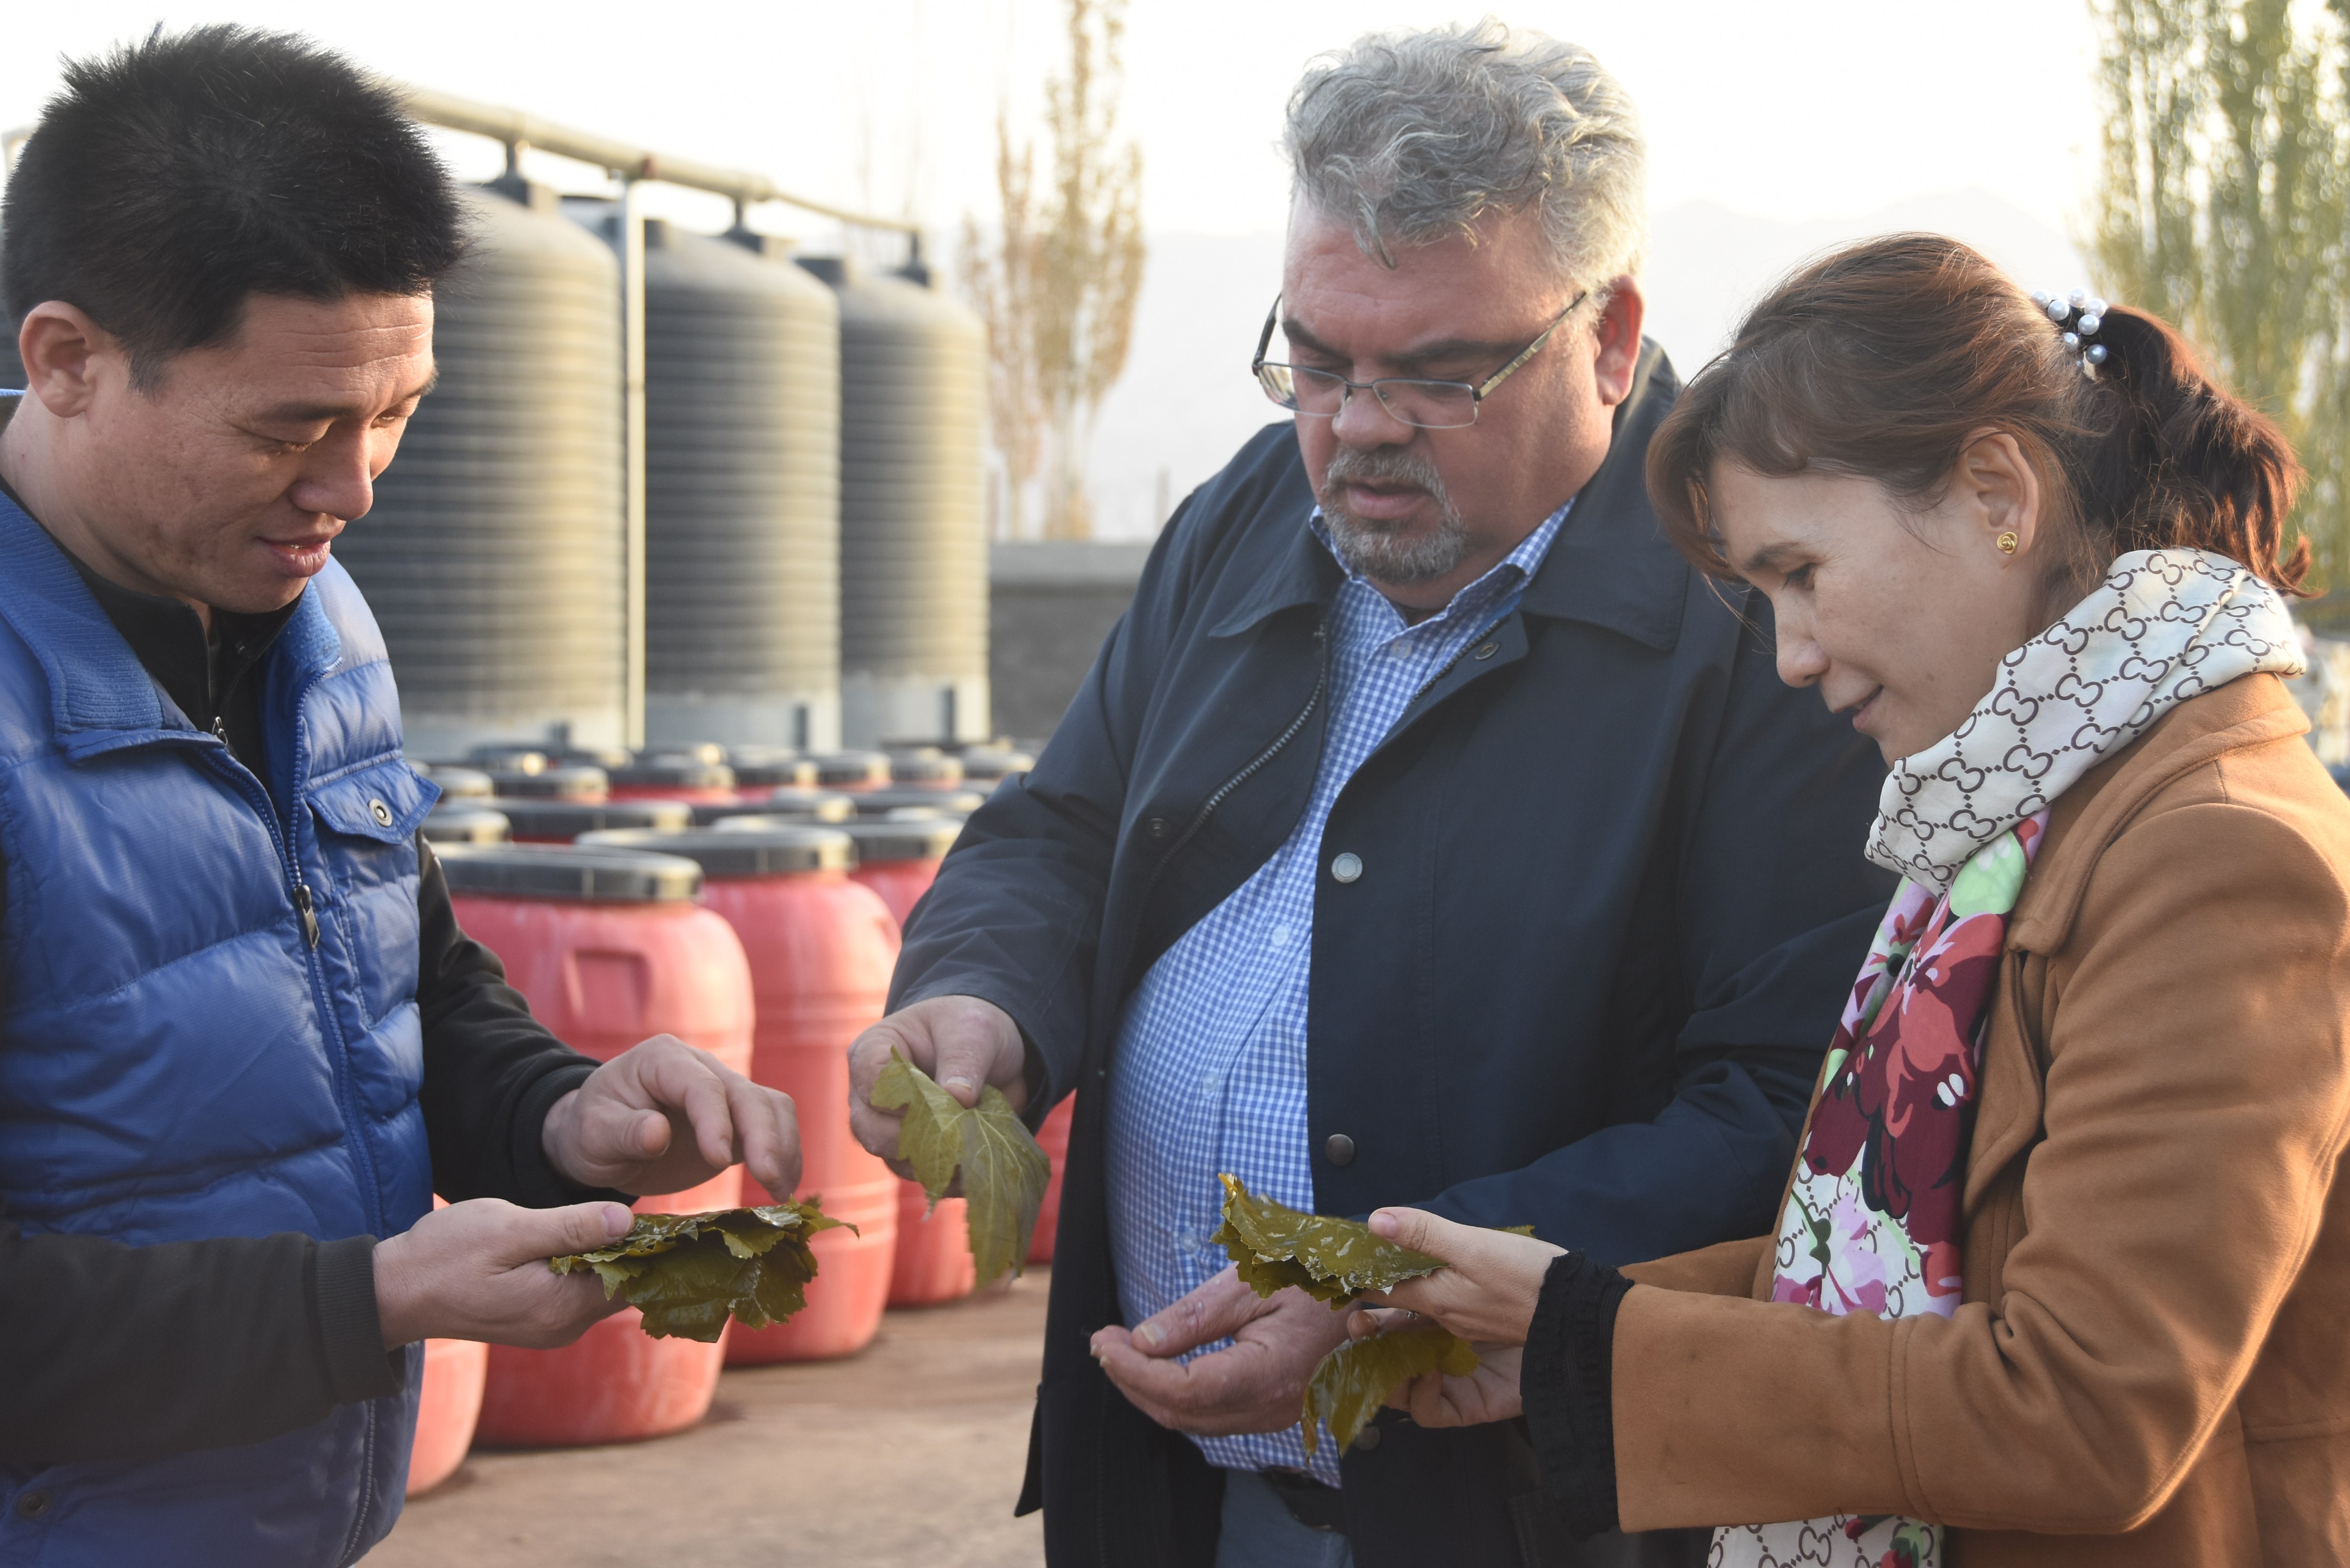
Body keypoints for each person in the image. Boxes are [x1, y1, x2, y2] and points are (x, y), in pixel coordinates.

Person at [848, 21, 1892, 1567]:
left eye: (1440, 376)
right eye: (1319, 361)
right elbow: (1064, 828)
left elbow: (1786, 1106)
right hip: (1166, 1490)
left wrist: (1385, 1288)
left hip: (1517, 1516)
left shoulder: (1757, 614)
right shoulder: (1245, 514)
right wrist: (984, 995)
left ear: (1610, 338)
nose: (1358, 428)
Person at [1360, 233, 2350, 1566]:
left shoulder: (2212, 853)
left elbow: (2085, 1408)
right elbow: (1886, 1268)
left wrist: (1600, 1343)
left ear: (1997, 493)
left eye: (1801, 573)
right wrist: (1556, 1341)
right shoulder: (2010, 819)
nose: (1789, 655)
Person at [0, 27, 800, 1565]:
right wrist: (362, 1303)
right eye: (286, 430)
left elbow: (397, 988)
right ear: (68, 361)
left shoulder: (318, 619)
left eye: (396, 412)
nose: (354, 488)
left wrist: (562, 1117)